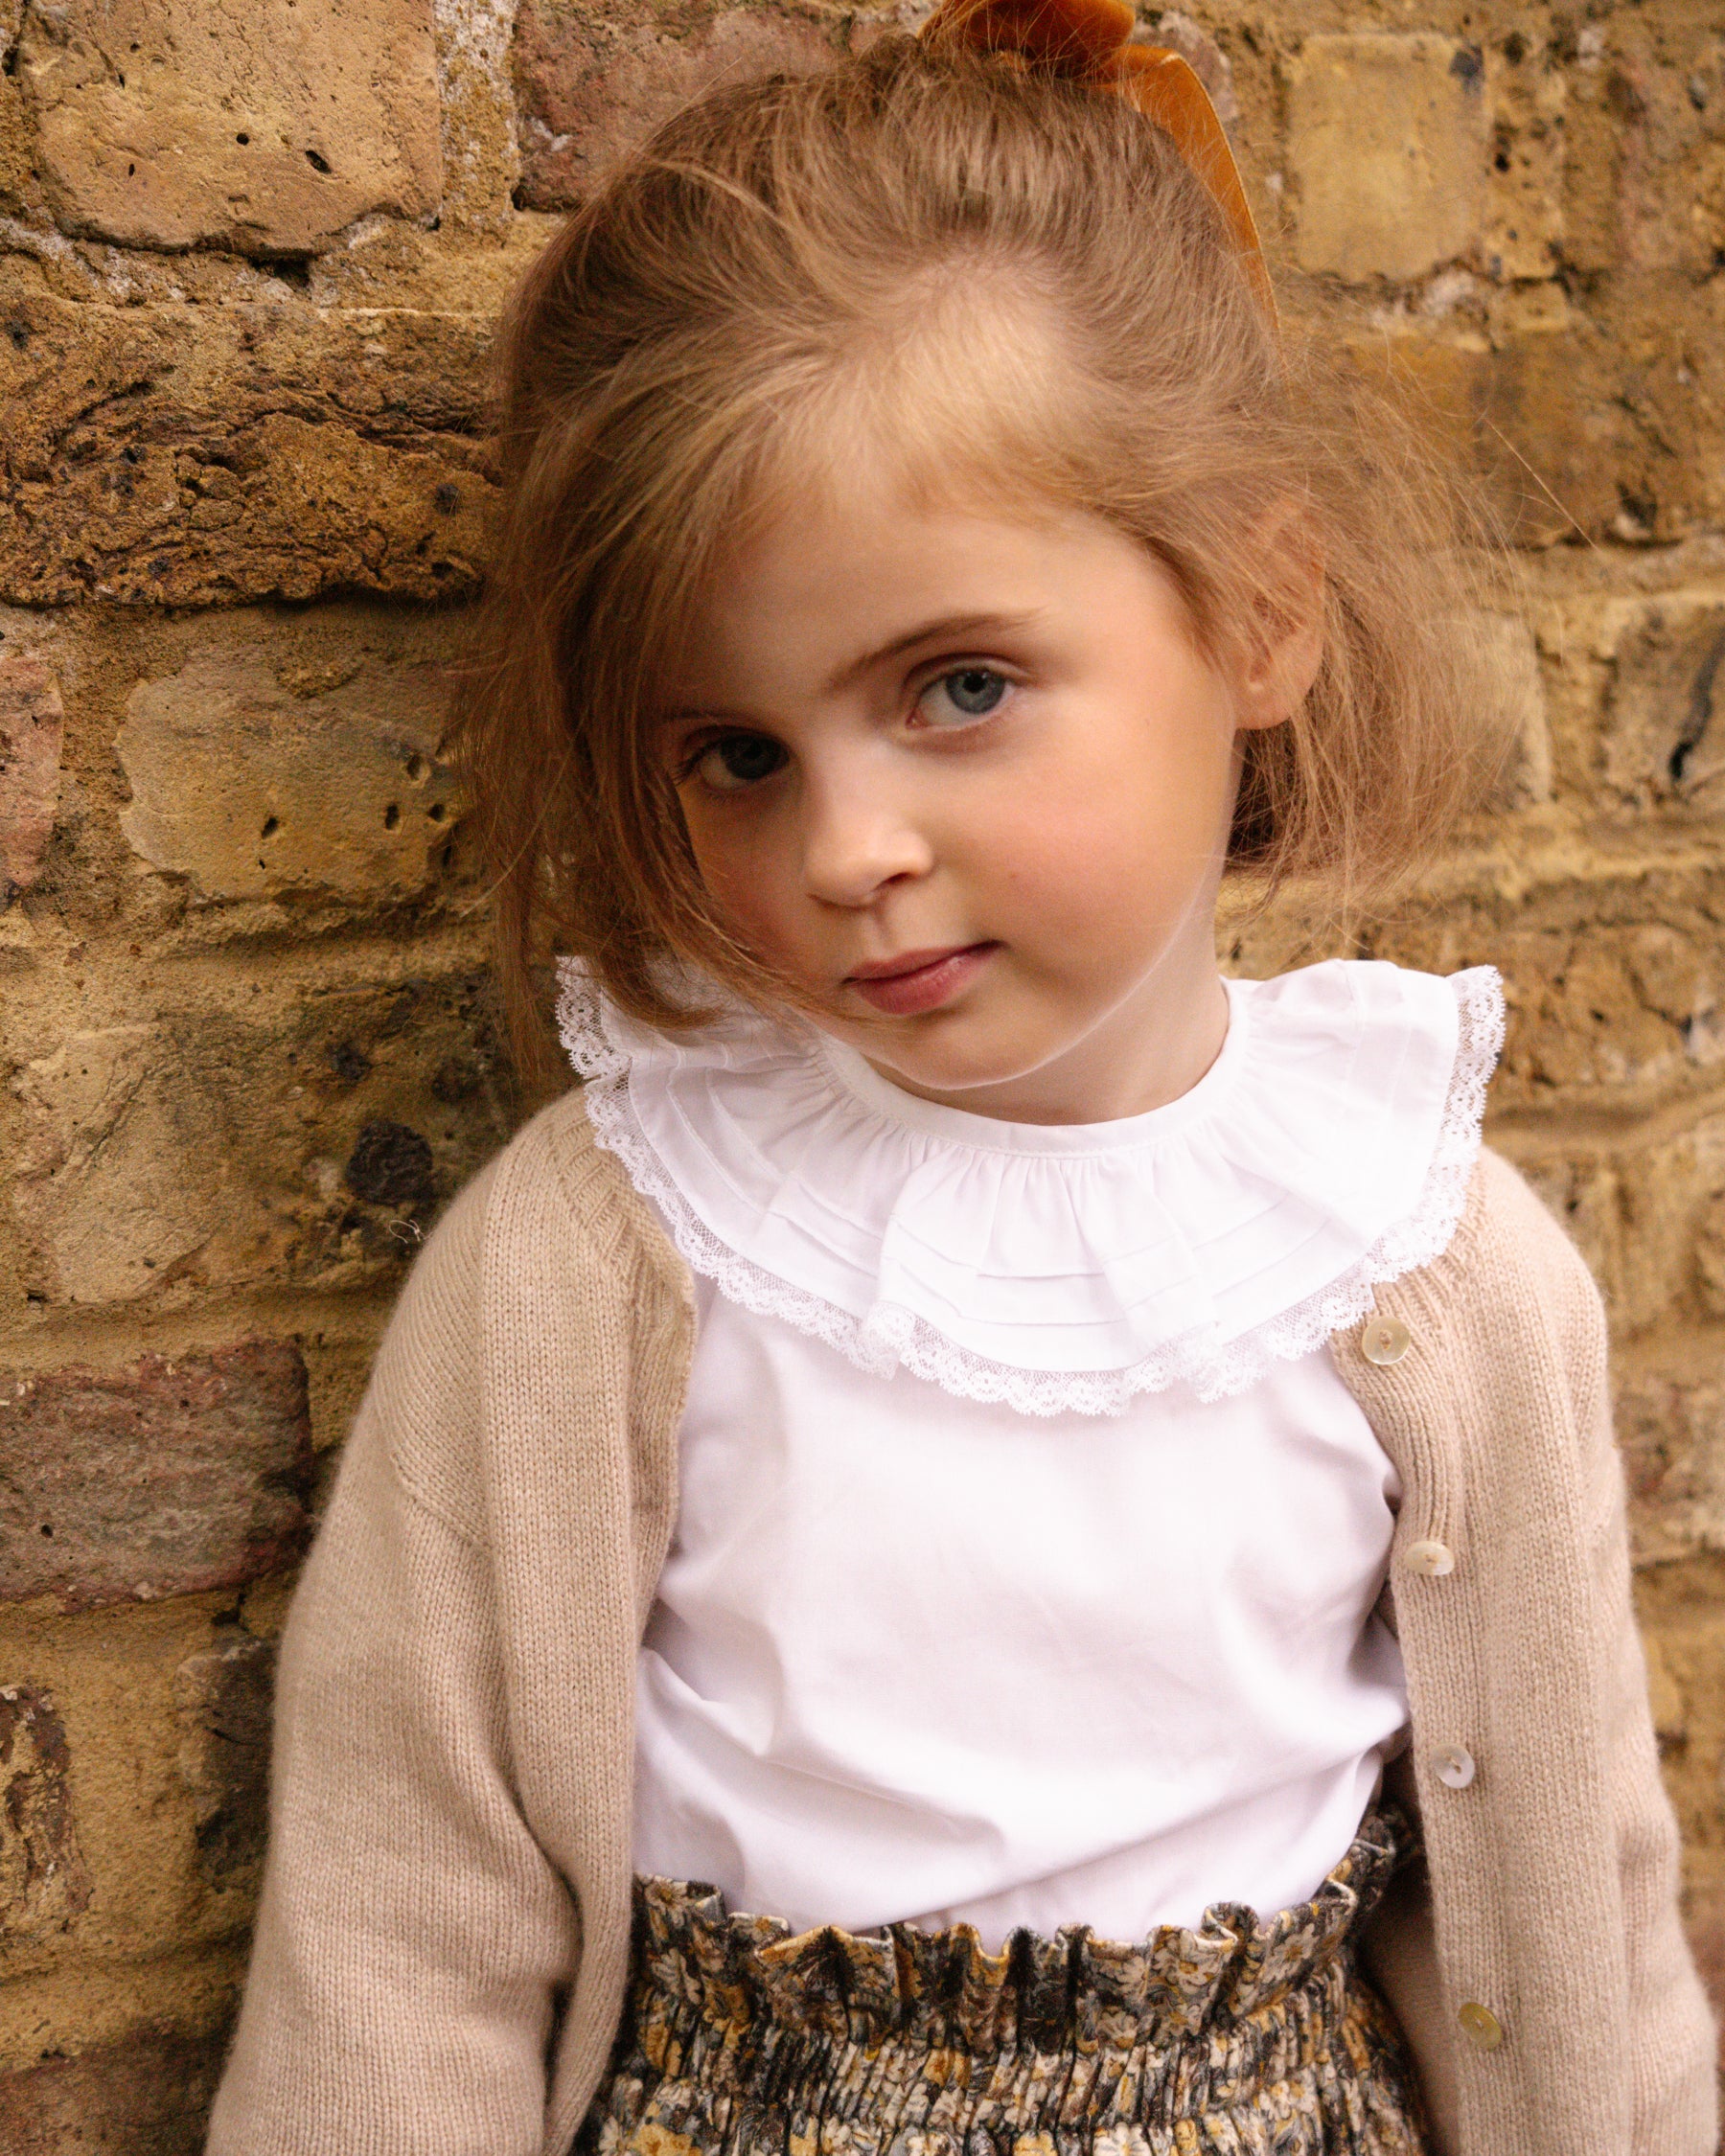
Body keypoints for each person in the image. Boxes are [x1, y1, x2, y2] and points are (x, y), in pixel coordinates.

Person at [206, 1, 1716, 2150]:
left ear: (1260, 613)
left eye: (963, 686)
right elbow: (401, 1930)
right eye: (737, 753)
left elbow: (1587, 1908)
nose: (843, 854)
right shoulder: (602, 1258)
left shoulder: (1440, 1277)